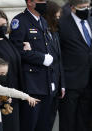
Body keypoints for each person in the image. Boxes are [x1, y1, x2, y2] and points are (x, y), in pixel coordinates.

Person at [9, 0, 55, 131]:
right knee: (30, 124)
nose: (44, 3)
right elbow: (16, 50)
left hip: (46, 81)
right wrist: (40, 58)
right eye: (41, 1)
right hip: (31, 83)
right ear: (29, 2)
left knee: (44, 124)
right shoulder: (20, 21)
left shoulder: (43, 21)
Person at [0, 9, 24, 131]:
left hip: (13, 95)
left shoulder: (7, 40)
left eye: (3, 25)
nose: (1, 28)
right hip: (1, 98)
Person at [59, 0, 92, 131]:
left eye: (87, 6)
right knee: (68, 119)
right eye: (82, 7)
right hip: (71, 81)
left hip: (89, 80)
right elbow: (58, 53)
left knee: (84, 118)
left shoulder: (90, 19)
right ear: (72, 8)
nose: (86, 9)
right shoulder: (62, 23)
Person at [43, 1, 66, 130]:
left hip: (56, 85)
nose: (57, 20)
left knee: (51, 119)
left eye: (59, 17)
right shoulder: (43, 33)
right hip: (45, 84)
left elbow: (59, 60)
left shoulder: (55, 33)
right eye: (55, 17)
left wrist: (62, 84)